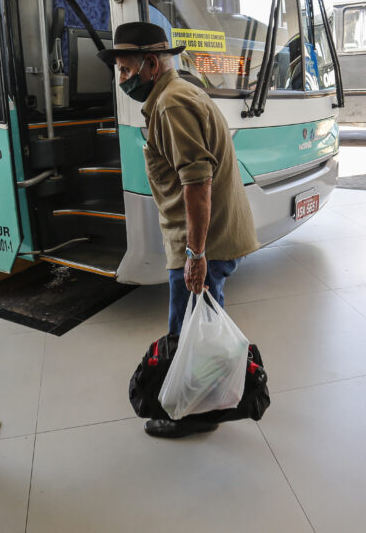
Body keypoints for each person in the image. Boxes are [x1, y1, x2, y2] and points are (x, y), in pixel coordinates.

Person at [97, 22, 259, 439]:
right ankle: (205, 401)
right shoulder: (176, 93)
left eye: (125, 69)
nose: (121, 79)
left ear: (150, 64)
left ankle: (195, 412)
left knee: (189, 332)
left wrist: (195, 254)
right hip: (204, 238)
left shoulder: (171, 103)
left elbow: (197, 181)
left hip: (204, 242)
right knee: (198, 326)